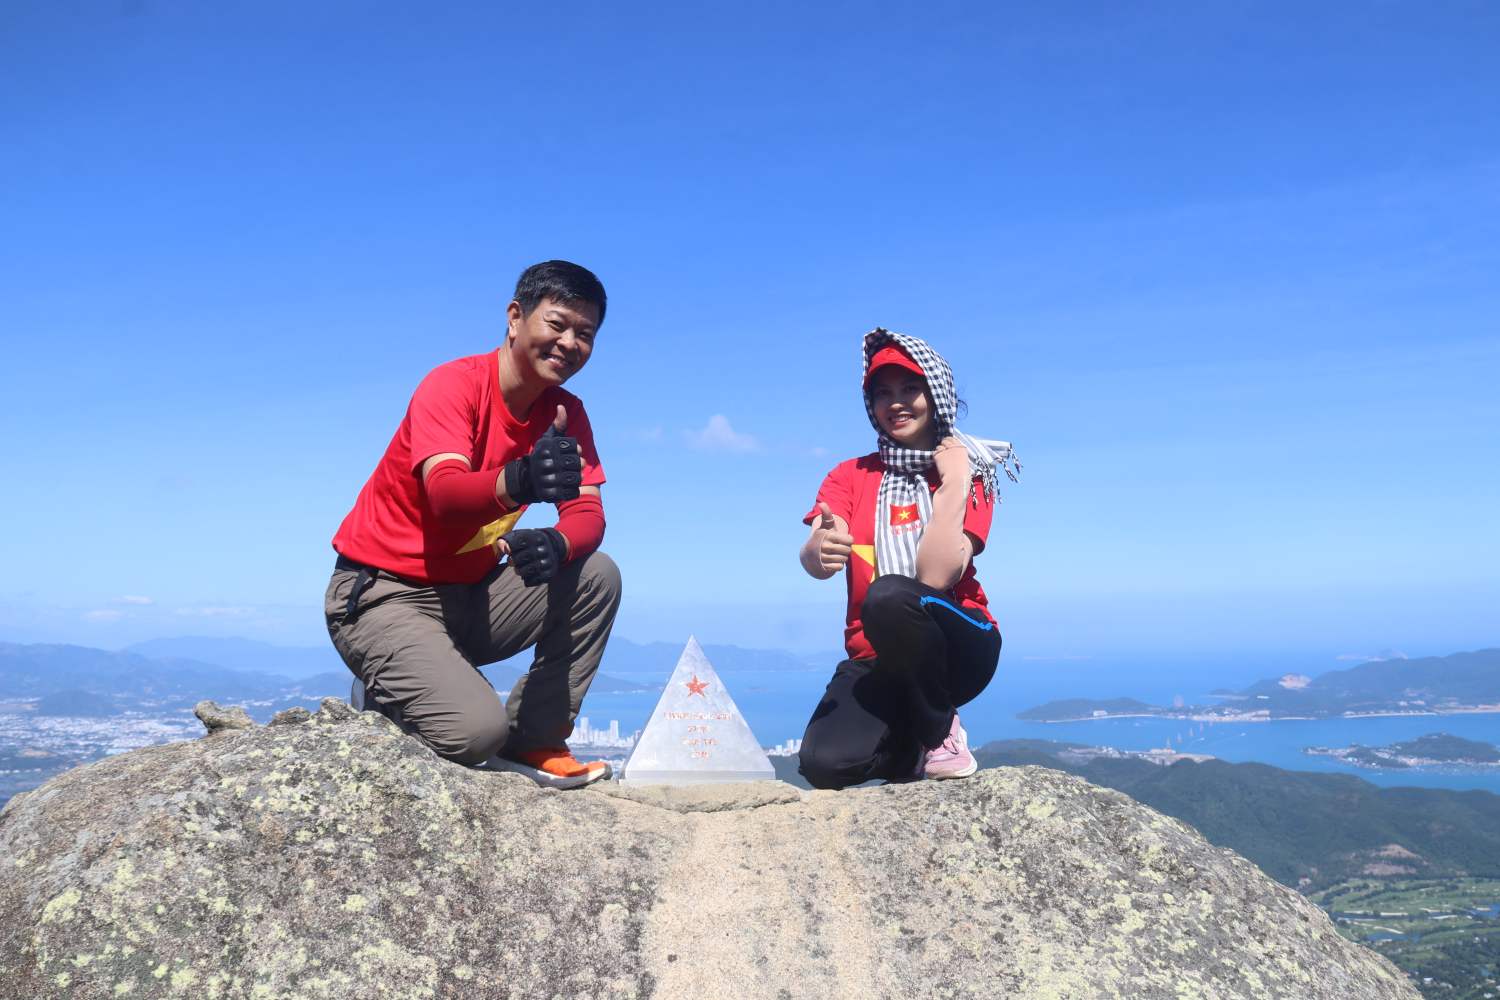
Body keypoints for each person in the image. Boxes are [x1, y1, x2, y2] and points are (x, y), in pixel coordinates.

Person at [324, 260, 621, 789]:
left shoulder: (565, 413)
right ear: (515, 317)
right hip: (383, 593)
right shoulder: (453, 386)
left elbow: (588, 513)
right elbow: (444, 496)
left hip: (472, 592)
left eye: (585, 334)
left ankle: (536, 738)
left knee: (596, 573)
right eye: (557, 324)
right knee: (475, 734)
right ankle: (387, 691)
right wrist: (521, 479)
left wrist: (558, 541)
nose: (569, 343)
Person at [796, 329, 1018, 789]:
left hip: (958, 643)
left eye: (910, 389)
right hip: (874, 654)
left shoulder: (971, 470)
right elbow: (816, 550)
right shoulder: (850, 475)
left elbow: (936, 576)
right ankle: (911, 744)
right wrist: (821, 548)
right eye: (882, 393)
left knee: (889, 596)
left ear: (935, 394)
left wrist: (954, 482)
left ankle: (940, 731)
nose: (895, 403)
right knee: (824, 764)